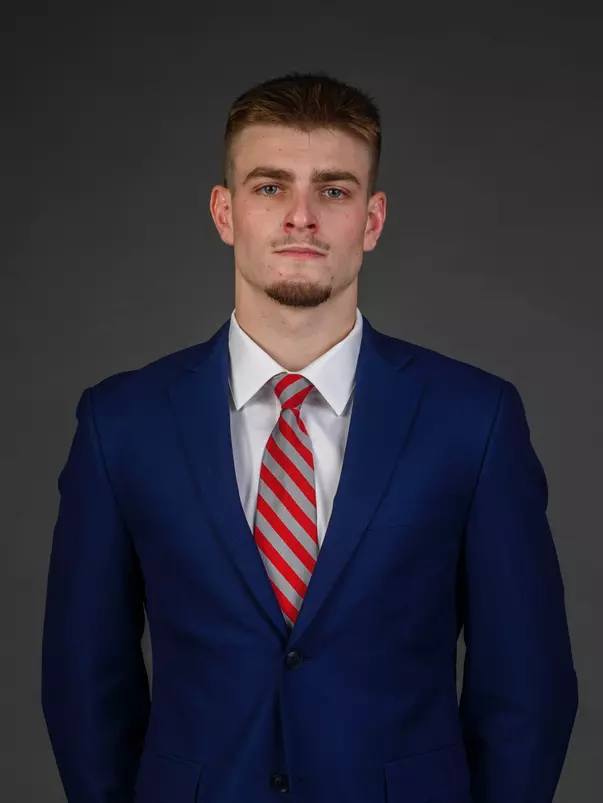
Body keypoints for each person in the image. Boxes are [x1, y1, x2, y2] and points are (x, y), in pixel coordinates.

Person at [41, 72, 578, 803]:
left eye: (333, 190)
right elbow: (84, 685)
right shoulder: (121, 423)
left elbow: (527, 689)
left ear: (372, 220)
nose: (301, 217)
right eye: (270, 187)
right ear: (224, 212)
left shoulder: (473, 420)